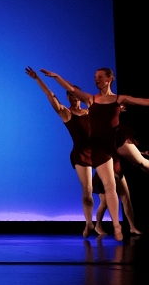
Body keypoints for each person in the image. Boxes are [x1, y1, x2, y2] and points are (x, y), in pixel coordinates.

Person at [41, 67, 149, 241]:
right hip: (96, 150)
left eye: (99, 77)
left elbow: (142, 102)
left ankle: (123, 226)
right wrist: (56, 77)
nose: (96, 79)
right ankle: (105, 225)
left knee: (140, 166)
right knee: (102, 189)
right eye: (95, 77)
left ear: (109, 79)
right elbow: (68, 89)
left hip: (112, 144)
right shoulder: (87, 102)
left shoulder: (110, 102)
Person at [25, 66, 95, 236]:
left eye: (76, 94)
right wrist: (37, 79)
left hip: (99, 151)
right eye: (71, 94)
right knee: (88, 190)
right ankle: (89, 223)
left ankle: (104, 223)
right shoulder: (66, 113)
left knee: (110, 188)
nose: (75, 97)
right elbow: (51, 96)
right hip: (82, 154)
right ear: (68, 97)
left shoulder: (90, 110)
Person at [92, 163, 141, 236]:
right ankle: (98, 226)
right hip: (105, 173)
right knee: (104, 203)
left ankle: (132, 227)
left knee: (126, 199)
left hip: (117, 170)